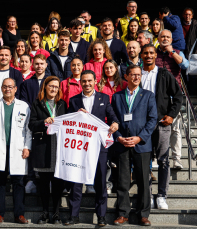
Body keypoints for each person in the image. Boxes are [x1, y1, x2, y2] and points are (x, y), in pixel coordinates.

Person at [65, 70, 119, 227]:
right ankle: (74, 215)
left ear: (95, 81)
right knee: (76, 181)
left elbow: (113, 117)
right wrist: (76, 114)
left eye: (90, 81)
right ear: (80, 82)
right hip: (79, 147)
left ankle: (101, 216)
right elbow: (68, 121)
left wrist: (115, 124)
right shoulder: (74, 100)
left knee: (101, 180)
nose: (87, 84)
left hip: (99, 146)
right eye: (84, 81)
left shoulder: (104, 98)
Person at [112, 65, 157, 227]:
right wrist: (118, 138)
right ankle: (123, 214)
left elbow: (153, 120)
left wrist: (139, 138)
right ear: (126, 76)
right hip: (123, 144)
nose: (137, 77)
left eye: (139, 75)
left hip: (142, 144)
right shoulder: (117, 97)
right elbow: (113, 120)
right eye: (133, 75)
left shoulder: (148, 96)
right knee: (122, 180)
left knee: (144, 181)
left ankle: (143, 215)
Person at [0, 78, 31, 224]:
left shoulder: (24, 106)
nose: (7, 89)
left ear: (16, 89)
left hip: (18, 149)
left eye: (10, 87)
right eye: (5, 87)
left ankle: (19, 214)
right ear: (1, 89)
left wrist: (27, 147)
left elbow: (28, 129)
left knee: (19, 182)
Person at [140, 44, 182, 210]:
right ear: (141, 55)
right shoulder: (137, 74)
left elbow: (178, 96)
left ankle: (162, 196)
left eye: (151, 53)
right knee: (144, 161)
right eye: (145, 53)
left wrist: (172, 115)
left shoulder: (164, 73)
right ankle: (148, 196)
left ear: (155, 55)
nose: (148, 55)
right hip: (142, 126)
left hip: (161, 123)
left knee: (164, 160)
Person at [29, 76, 67, 224]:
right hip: (43, 147)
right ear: (45, 87)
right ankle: (44, 212)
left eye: (56, 87)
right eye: (51, 86)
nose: (53, 89)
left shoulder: (62, 104)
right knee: (44, 183)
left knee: (58, 183)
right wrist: (43, 122)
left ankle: (56, 213)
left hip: (58, 147)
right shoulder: (37, 103)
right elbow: (31, 124)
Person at [156, 29, 189, 171]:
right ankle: (157, 158)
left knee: (175, 130)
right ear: (157, 38)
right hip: (157, 97)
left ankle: (176, 160)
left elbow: (186, 66)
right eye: (162, 36)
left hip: (174, 97)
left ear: (171, 39)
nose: (165, 39)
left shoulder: (177, 52)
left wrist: (172, 52)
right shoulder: (153, 53)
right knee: (156, 129)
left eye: (168, 37)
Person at [19, 54, 48, 193]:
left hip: (48, 120)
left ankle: (46, 179)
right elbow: (24, 102)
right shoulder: (27, 83)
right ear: (33, 65)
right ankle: (31, 179)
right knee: (30, 147)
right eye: (36, 64)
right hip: (32, 120)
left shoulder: (51, 81)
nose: (39, 66)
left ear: (46, 65)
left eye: (41, 64)